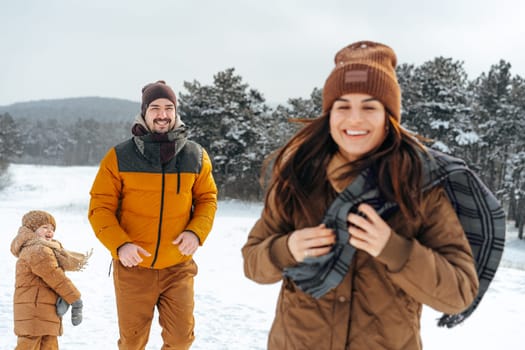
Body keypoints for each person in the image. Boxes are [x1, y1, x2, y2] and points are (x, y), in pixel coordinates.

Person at [242, 41, 505, 349]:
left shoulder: (421, 188)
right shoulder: (298, 180)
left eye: (369, 107)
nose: (354, 119)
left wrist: (395, 250)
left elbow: (459, 293)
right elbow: (253, 263)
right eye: (342, 107)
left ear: (388, 117)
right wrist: (287, 248)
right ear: (329, 115)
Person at [88, 80, 218, 349]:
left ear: (176, 111)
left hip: (178, 267)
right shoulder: (119, 157)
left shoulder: (196, 156)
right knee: (132, 342)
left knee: (181, 339)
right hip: (134, 268)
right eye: (156, 108)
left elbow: (207, 199)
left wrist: (196, 232)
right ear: (144, 112)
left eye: (169, 108)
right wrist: (120, 245)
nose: (163, 114)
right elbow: (100, 207)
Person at [11, 210, 88, 350]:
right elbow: (55, 277)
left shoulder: (38, 248)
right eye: (44, 227)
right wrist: (75, 299)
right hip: (35, 312)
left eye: (52, 229)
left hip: (41, 311)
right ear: (32, 229)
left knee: (47, 345)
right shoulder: (38, 250)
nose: (50, 231)